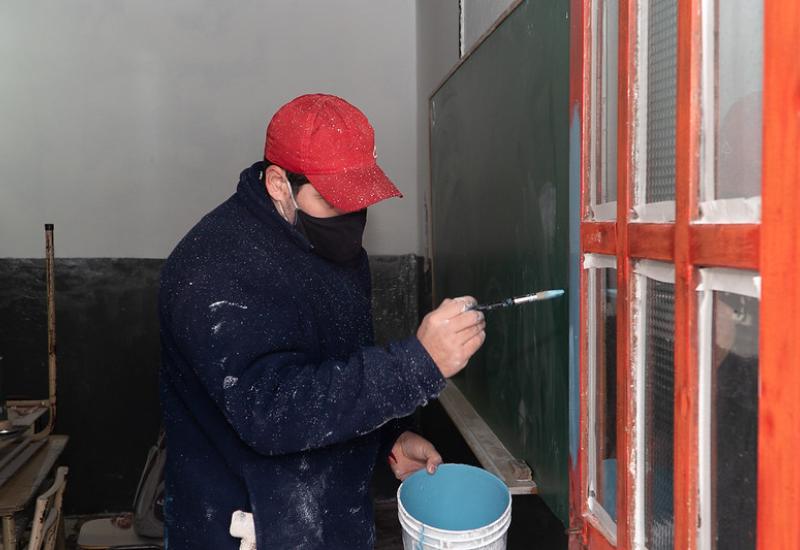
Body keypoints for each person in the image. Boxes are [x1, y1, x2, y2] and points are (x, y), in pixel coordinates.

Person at [159, 93, 486, 549]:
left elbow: (339, 367)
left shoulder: (338, 252)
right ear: (278, 183)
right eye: (334, 201)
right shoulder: (212, 270)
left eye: (359, 201)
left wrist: (391, 437)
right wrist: (416, 365)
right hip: (247, 529)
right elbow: (271, 411)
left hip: (334, 519)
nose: (350, 219)